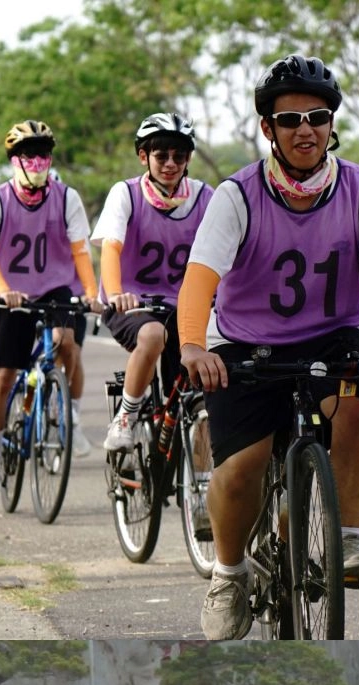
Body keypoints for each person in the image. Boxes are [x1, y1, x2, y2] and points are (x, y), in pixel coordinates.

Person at [179, 55, 359, 639]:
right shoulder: (237, 195)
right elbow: (199, 278)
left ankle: (347, 538)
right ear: (267, 128)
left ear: (331, 125)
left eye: (317, 118)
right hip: (243, 342)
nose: (305, 130)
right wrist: (194, 346)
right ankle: (228, 571)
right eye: (289, 119)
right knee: (242, 468)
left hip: (332, 335)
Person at [0, 118, 104, 487]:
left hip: (57, 288)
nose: (36, 162)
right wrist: (3, 291)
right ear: (15, 160)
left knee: (67, 344)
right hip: (12, 291)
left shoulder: (67, 197)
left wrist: (91, 293)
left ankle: (71, 420)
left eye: (43, 155)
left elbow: (80, 250)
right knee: (5, 375)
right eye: (28, 156)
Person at [96, 113, 215, 454]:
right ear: (143, 156)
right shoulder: (127, 194)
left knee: (203, 392)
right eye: (161, 155)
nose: (170, 164)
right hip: (136, 305)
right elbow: (111, 246)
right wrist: (116, 292)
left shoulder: (205, 198)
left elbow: (228, 252)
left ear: (189, 159)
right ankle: (126, 417)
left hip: (187, 307)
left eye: (179, 156)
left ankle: (202, 494)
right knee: (152, 336)